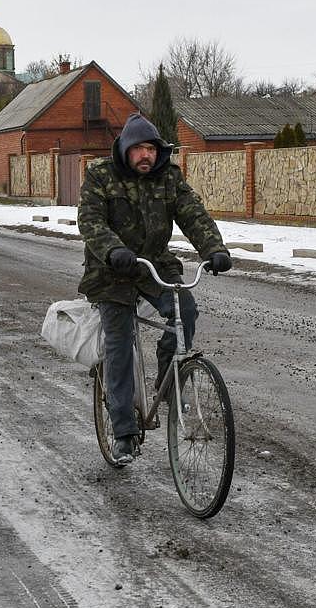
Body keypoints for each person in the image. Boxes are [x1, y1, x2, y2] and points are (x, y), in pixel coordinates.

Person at [78, 113, 230, 464]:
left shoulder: (168, 177)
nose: (145, 155)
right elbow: (90, 219)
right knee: (119, 345)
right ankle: (125, 434)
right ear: (126, 150)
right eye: (138, 149)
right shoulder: (101, 175)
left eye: (151, 149)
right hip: (111, 270)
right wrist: (112, 250)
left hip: (154, 266)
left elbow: (193, 214)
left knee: (184, 312)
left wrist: (214, 250)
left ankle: (168, 380)